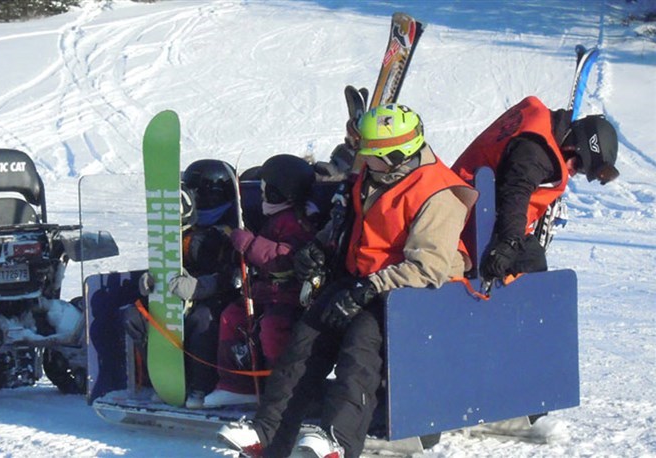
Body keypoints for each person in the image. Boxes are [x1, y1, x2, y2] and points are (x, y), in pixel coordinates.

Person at [217, 104, 478, 458]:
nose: (363, 160)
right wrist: (320, 249)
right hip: (362, 280)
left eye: (370, 155)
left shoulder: (438, 194)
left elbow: (427, 268)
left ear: (396, 156)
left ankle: (337, 440)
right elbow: (349, 227)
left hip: (410, 294)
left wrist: (368, 289)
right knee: (306, 339)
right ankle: (268, 434)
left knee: (361, 345)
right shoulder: (374, 176)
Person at [451, 95, 619, 284]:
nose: (572, 173)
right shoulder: (536, 153)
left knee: (531, 254)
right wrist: (509, 243)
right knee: (531, 263)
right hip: (467, 220)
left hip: (471, 200)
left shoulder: (540, 121)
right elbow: (515, 193)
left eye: (580, 171)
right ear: (573, 144)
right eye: (578, 164)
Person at [123, 159, 240, 409]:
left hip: (214, 296)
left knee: (201, 320)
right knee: (136, 317)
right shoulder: (183, 227)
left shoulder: (230, 232)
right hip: (175, 291)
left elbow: (234, 276)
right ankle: (162, 379)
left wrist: (200, 287)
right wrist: (152, 278)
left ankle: (200, 385)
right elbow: (166, 256)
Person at [203, 154, 318, 408]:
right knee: (232, 316)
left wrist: (250, 244)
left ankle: (283, 389)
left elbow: (284, 257)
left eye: (266, 189)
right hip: (265, 292)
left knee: (273, 328)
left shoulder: (296, 221)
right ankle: (237, 384)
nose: (263, 195)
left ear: (279, 192)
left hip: (288, 294)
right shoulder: (275, 217)